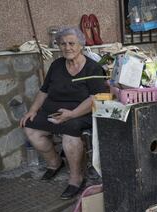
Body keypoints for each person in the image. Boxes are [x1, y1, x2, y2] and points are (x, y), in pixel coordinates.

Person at [20, 27, 107, 200]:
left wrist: (72, 114)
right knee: (30, 126)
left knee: (70, 132)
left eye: (72, 43)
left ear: (81, 45)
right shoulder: (56, 65)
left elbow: (95, 98)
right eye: (63, 44)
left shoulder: (93, 68)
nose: (67, 47)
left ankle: (76, 178)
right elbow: (44, 91)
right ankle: (55, 163)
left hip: (82, 113)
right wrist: (32, 110)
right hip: (54, 111)